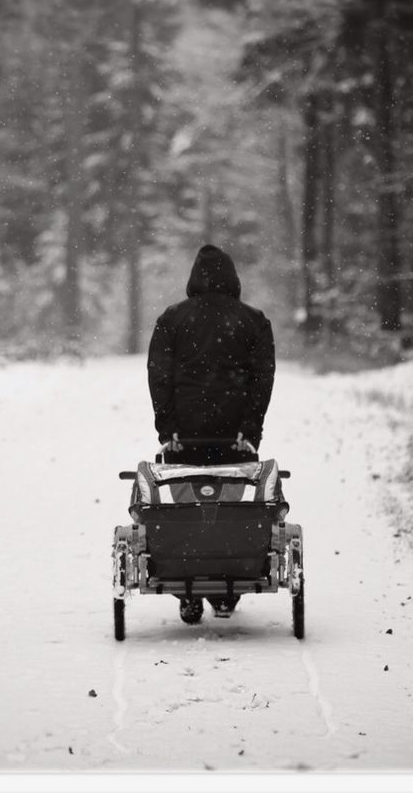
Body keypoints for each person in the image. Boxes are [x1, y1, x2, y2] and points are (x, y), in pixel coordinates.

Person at [146, 244, 276, 620]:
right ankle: (225, 584)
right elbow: (261, 379)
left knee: (186, 505)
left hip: (184, 437)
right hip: (235, 437)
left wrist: (167, 428)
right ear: (233, 278)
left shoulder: (172, 319)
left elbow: (159, 376)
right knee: (232, 506)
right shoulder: (253, 321)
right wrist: (250, 429)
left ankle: (187, 582)